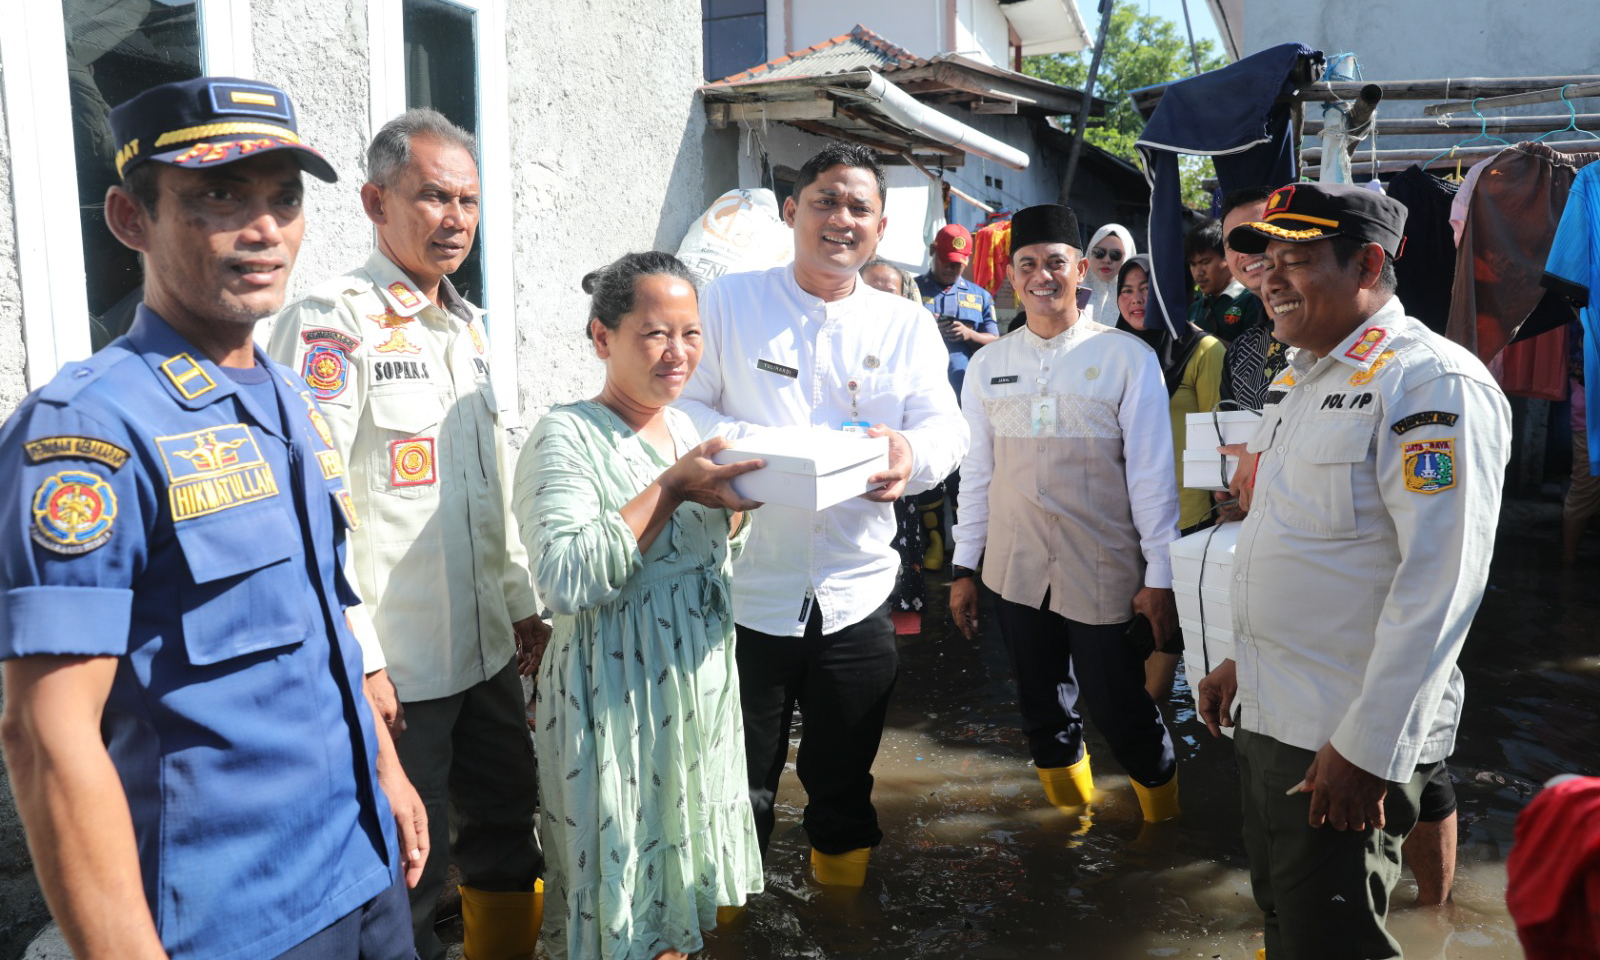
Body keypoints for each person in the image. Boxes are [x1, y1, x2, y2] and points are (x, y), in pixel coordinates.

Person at [0, 77, 425, 959]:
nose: (265, 229)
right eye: (218, 197)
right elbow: (46, 734)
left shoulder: (279, 391)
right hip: (232, 922)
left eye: (284, 199)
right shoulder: (86, 430)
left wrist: (386, 768)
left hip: (361, 868)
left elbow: (320, 619)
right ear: (130, 219)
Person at [1196, 182, 1511, 959]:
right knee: (1287, 922)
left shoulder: (1429, 383)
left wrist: (1370, 747)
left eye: (1296, 259)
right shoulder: (1300, 377)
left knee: (1331, 941)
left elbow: (1441, 583)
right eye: (1266, 258)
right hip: (1273, 711)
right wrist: (1243, 655)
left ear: (1368, 262)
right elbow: (1303, 539)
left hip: (1339, 736)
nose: (1269, 277)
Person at [269, 108, 544, 960]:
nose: (455, 218)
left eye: (467, 199)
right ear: (375, 202)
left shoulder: (468, 328)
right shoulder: (333, 321)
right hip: (403, 668)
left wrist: (522, 604)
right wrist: (363, 658)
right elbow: (309, 505)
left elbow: (486, 493)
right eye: (433, 197)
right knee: (410, 864)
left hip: (487, 651)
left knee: (506, 829)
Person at [677, 141, 968, 886]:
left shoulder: (903, 324)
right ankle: (730, 927)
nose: (841, 219)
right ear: (790, 213)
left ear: (879, 227)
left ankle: (844, 927)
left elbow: (946, 429)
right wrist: (774, 457)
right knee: (736, 792)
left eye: (859, 207)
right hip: (747, 592)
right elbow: (685, 407)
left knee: (844, 789)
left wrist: (906, 455)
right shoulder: (730, 302)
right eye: (825, 202)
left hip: (856, 590)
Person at [514, 252, 765, 960]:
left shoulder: (687, 431)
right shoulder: (565, 436)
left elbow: (707, 561)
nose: (677, 353)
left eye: (690, 334)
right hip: (613, 696)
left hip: (692, 688)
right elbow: (564, 578)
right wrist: (674, 490)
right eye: (655, 334)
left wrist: (740, 514)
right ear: (603, 338)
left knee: (674, 880)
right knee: (616, 880)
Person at [948, 204, 1182, 823]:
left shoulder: (1127, 358)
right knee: (1041, 710)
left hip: (1102, 565)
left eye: (1056, 263)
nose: (1041, 276)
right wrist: (964, 567)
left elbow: (1153, 476)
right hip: (1015, 566)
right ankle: (1070, 829)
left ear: (1081, 270)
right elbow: (978, 475)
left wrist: (1160, 577)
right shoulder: (988, 364)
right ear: (1011, 276)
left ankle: (1162, 829)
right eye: (1027, 265)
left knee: (1119, 706)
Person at [1112, 254, 1225, 701]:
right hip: (1118, 518)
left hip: (1185, 518)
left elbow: (1219, 439)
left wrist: (1221, 517)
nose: (1137, 300)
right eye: (1127, 290)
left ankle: (1150, 752)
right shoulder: (1108, 352)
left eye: (1147, 289)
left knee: (1162, 643)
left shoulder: (1204, 351)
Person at [861, 258, 928, 634]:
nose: (876, 298)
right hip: (852, 481)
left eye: (887, 290)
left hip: (898, 477)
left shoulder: (913, 340)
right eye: (868, 288)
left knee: (902, 553)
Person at [1185, 218, 1246, 340]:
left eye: (1205, 262)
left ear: (1227, 257)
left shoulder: (1251, 301)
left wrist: (1200, 337)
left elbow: (1252, 354)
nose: (1198, 272)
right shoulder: (1195, 308)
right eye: (1193, 264)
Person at [1082, 223, 1136, 323]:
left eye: (1115, 254)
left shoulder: (1138, 302)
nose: (1106, 260)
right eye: (1099, 253)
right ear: (1090, 253)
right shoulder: (1071, 295)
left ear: (1128, 257)